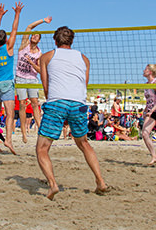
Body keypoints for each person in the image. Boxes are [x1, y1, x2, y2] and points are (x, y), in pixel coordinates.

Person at [35, 26, 110, 200]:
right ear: (72, 41)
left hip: (57, 102)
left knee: (42, 149)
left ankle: (53, 185)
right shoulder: (84, 58)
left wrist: (59, 109)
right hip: (79, 104)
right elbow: (83, 85)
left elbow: (46, 87)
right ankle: (100, 182)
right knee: (84, 144)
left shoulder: (46, 57)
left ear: (55, 40)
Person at [0, 2, 22, 154]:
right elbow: (15, 29)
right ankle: (8, 139)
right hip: (6, 84)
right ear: (6, 39)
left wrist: (0, 15)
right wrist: (17, 14)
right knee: (9, 114)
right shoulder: (8, 47)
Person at [16, 16, 50, 144]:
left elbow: (41, 70)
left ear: (39, 40)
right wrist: (43, 21)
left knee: (35, 103)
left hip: (31, 79)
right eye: (33, 35)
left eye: (36, 35)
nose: (34, 36)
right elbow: (29, 27)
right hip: (20, 78)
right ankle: (24, 133)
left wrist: (32, 63)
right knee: (22, 105)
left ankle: (40, 130)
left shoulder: (39, 54)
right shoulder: (24, 44)